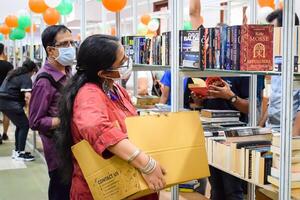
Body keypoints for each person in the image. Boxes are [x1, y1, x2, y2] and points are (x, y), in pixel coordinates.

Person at [56, 34, 166, 200]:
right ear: (103, 72)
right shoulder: (88, 94)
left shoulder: (115, 89)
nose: (127, 62)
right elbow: (97, 128)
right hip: (105, 189)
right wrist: (146, 164)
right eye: (122, 61)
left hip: (129, 183)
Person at [29, 25, 75, 200]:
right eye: (64, 44)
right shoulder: (44, 81)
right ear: (50, 50)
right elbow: (35, 121)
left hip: (73, 147)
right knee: (61, 192)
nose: (70, 47)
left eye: (71, 42)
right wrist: (65, 120)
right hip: (58, 153)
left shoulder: (69, 71)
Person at [260, 9, 300, 136]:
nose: (271, 36)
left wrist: (292, 139)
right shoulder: (278, 58)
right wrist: (259, 126)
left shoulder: (297, 61)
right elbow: (274, 99)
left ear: (289, 31)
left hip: (288, 133)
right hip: (271, 129)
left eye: (274, 31)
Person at [0, 59, 37, 160]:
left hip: (3, 102)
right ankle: (20, 153)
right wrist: (31, 113)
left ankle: (17, 151)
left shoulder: (14, 74)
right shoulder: (26, 78)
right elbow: (27, 97)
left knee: (20, 125)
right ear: (32, 70)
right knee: (25, 125)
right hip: (11, 104)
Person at [0, 43, 13, 143]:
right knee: (6, 114)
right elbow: (12, 79)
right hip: (5, 93)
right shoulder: (8, 65)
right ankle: (5, 134)